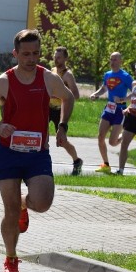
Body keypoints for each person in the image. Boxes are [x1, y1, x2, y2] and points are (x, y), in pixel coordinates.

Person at [0, 29, 74, 272]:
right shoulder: (4, 82)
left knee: (43, 202)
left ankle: (24, 205)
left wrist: (61, 127)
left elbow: (68, 98)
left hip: (37, 153)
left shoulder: (48, 78)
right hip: (8, 152)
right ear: (15, 53)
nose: (31, 58)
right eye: (26, 54)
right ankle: (11, 257)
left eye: (36, 53)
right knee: (9, 211)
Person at [89, 52, 133, 173]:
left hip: (120, 110)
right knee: (100, 136)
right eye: (111, 59)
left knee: (112, 142)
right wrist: (96, 94)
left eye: (115, 60)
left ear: (120, 62)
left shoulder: (126, 76)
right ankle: (106, 164)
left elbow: (135, 92)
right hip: (108, 109)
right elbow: (104, 88)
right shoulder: (107, 75)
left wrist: (124, 100)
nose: (112, 62)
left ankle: (123, 136)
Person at [48, 46, 83, 175]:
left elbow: (76, 95)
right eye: (55, 57)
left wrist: (58, 96)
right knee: (40, 134)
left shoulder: (68, 75)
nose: (56, 60)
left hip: (60, 110)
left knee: (62, 141)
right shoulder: (52, 71)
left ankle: (77, 160)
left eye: (59, 57)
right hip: (48, 107)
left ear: (65, 58)